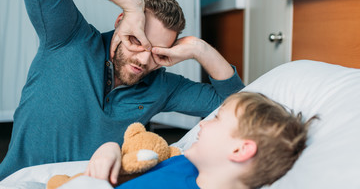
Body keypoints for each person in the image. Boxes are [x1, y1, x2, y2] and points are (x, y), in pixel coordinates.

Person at [0, 0, 244, 180]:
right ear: (121, 21)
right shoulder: (67, 38)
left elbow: (238, 107)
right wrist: (132, 4)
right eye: (138, 41)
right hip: (16, 181)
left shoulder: (162, 87)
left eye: (157, 52)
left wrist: (200, 50)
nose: (144, 59)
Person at [84, 92, 318, 189]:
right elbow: (131, 162)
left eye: (217, 118)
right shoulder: (182, 161)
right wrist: (110, 148)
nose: (203, 123)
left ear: (239, 149)